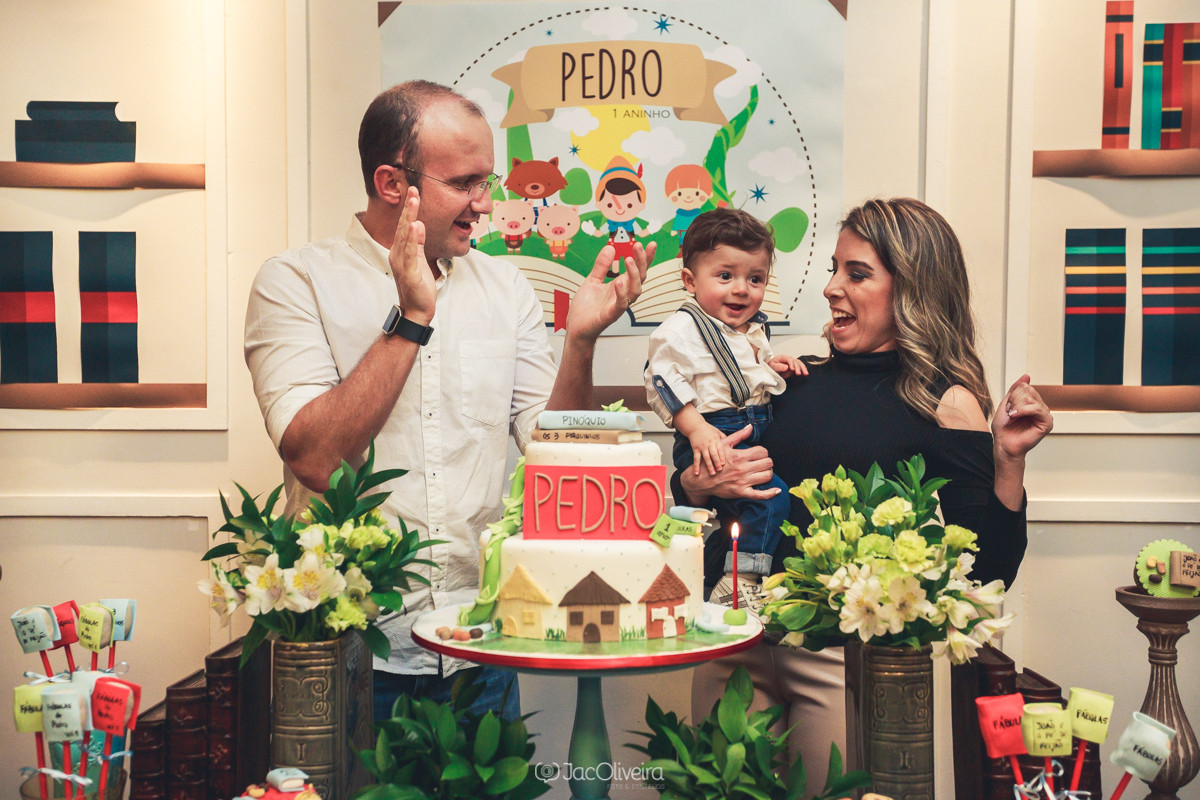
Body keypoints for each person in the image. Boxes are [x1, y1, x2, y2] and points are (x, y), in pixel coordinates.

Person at [244, 80, 654, 724]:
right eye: (465, 184)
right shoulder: (295, 282)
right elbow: (315, 458)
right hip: (351, 652)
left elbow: (550, 453)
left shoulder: (505, 285)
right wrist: (411, 316)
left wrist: (579, 342)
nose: (485, 206)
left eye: (487, 183)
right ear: (390, 182)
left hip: (479, 644)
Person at [676, 197, 1053, 789]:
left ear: (912, 289)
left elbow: (988, 574)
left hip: (837, 657)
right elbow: (694, 492)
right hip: (732, 635)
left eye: (855, 273)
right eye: (833, 268)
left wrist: (1007, 460)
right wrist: (695, 484)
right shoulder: (785, 381)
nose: (830, 288)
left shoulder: (945, 402)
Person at [644, 208, 804, 611]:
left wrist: (772, 366)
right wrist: (697, 431)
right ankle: (739, 580)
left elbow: (744, 372)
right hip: (713, 430)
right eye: (725, 276)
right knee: (768, 499)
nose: (741, 290)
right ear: (689, 280)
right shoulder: (679, 331)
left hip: (752, 425)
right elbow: (662, 382)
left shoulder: (750, 329)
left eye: (755, 279)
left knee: (758, 502)